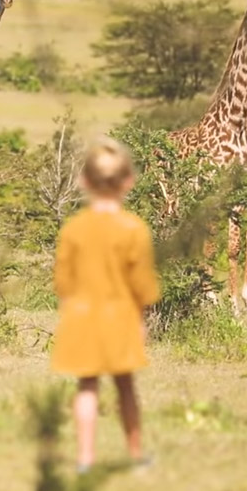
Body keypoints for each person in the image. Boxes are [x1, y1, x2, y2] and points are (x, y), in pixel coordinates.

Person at [51, 136, 160, 473]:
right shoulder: (134, 229)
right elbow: (142, 283)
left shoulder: (73, 229)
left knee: (87, 386)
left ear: (84, 181)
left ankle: (85, 458)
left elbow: (63, 282)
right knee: (126, 386)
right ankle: (136, 454)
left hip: (81, 318)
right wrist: (141, 316)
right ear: (128, 181)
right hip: (121, 318)